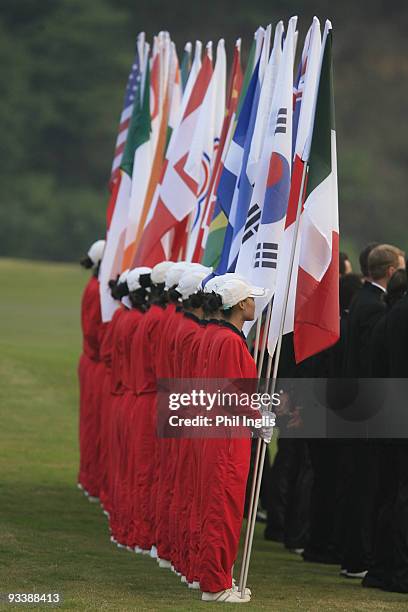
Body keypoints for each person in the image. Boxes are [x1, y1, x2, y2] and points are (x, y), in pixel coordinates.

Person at [197, 276, 273, 603]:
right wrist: (259, 420)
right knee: (222, 508)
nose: (255, 304)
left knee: (222, 506)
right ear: (242, 305)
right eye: (252, 299)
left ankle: (219, 577)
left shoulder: (218, 335)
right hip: (227, 435)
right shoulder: (228, 341)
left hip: (222, 430)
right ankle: (216, 585)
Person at [341, 244, 405, 578]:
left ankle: (360, 554)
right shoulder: (373, 307)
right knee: (370, 486)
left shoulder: (366, 302)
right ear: (392, 270)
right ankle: (360, 556)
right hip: (372, 405)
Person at [77, 239, 105, 499]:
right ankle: (93, 481)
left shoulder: (93, 287)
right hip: (98, 363)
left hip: (91, 362)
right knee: (96, 427)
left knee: (91, 424)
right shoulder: (98, 291)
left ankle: (89, 478)